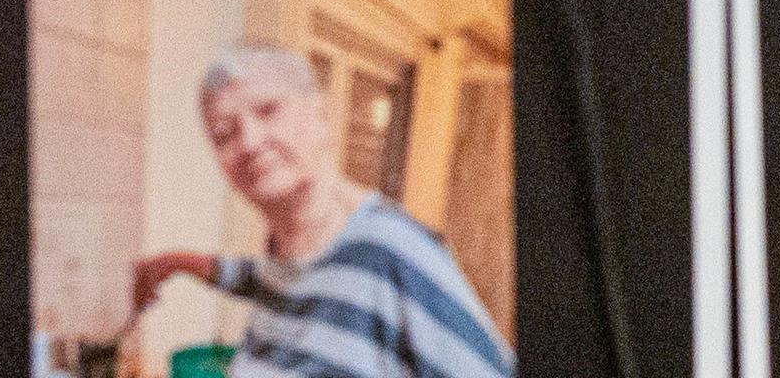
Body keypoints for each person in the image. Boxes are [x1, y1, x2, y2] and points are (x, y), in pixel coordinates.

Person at [129, 45, 510, 378]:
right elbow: (254, 276)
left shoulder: (391, 251)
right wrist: (170, 264)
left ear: (323, 115)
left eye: (268, 110)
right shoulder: (284, 262)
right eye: (224, 133)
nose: (248, 141)